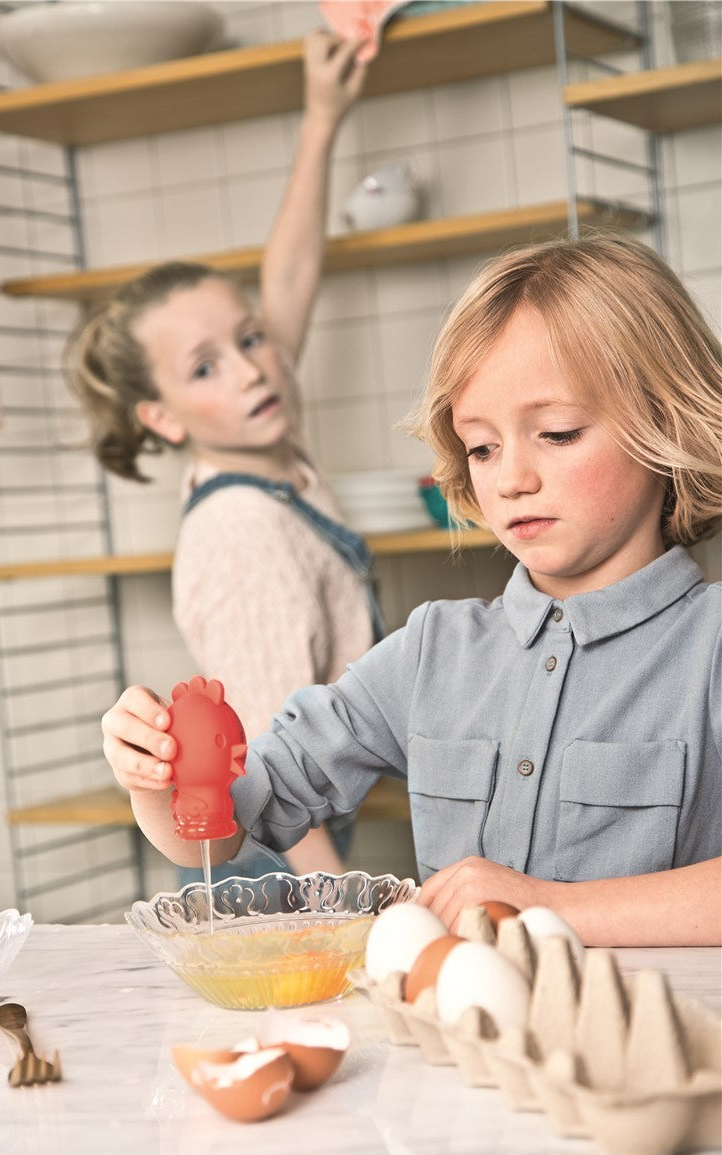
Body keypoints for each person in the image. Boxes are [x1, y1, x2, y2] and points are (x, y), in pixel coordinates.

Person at [100, 232, 722, 946]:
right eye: (482, 447)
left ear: (666, 420)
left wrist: (548, 907)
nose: (510, 479)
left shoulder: (710, 646)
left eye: (557, 433)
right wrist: (156, 779)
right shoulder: (432, 651)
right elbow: (229, 827)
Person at [68, 31, 380, 883]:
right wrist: (343, 902)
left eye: (250, 339)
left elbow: (290, 280)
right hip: (271, 858)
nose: (251, 369)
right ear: (162, 417)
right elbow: (270, 764)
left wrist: (322, 118)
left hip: (291, 834)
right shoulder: (242, 530)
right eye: (205, 367)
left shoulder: (264, 442)